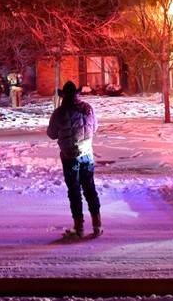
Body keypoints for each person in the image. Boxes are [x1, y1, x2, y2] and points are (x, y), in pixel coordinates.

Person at [46, 80, 102, 238]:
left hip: (70, 156)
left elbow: (51, 134)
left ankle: (79, 228)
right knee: (90, 189)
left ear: (64, 96)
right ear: (77, 95)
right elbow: (95, 128)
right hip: (87, 155)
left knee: (74, 191)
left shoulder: (59, 113)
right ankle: (97, 225)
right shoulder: (88, 109)